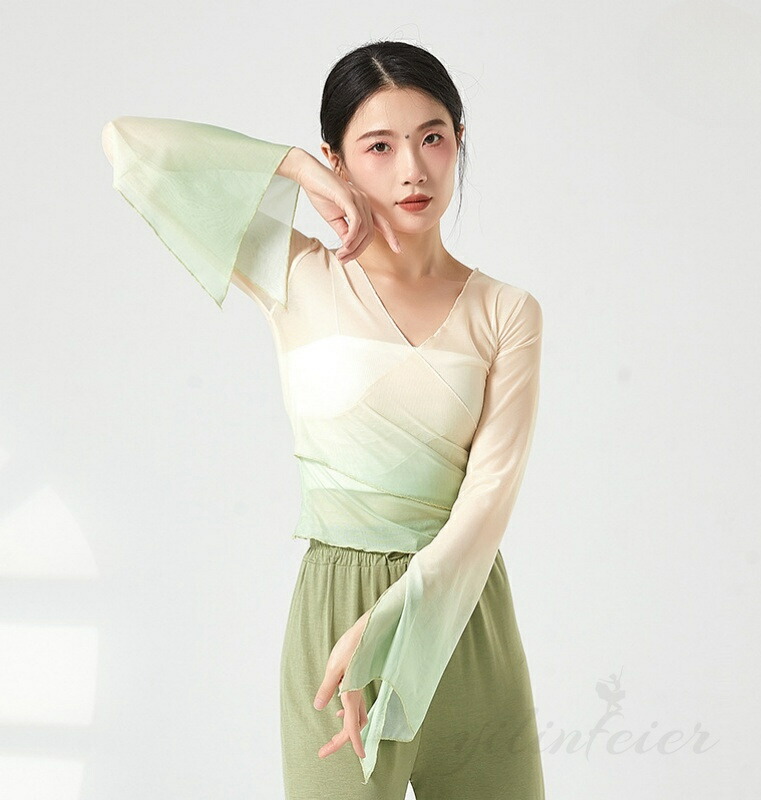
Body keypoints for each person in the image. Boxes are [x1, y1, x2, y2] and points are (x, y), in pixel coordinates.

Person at [102, 39, 546, 800]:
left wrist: (393, 619)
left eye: (432, 138)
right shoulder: (295, 272)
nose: (413, 169)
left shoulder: (506, 310)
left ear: (458, 141)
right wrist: (296, 169)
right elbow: (129, 146)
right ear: (339, 160)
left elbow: (489, 499)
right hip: (336, 616)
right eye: (379, 147)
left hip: (465, 622)